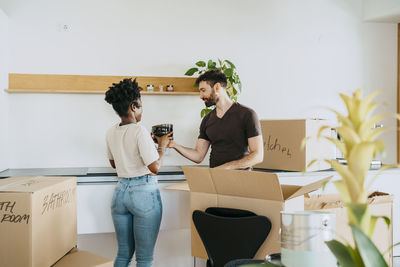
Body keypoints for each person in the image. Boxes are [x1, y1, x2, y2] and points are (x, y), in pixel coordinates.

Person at [104, 78, 171, 267]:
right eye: (141, 105)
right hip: (143, 194)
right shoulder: (140, 131)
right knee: (144, 258)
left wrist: (145, 147)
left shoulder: (111, 131)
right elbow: (155, 167)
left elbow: (113, 163)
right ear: (134, 106)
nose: (142, 109)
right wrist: (162, 146)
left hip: (120, 194)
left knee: (124, 254)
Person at [168, 70, 263, 169]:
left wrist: (227, 167)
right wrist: (174, 145)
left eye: (203, 90)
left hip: (241, 180)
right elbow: (198, 156)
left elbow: (258, 156)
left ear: (217, 87)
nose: (200, 96)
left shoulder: (247, 114)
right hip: (215, 179)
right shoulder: (207, 119)